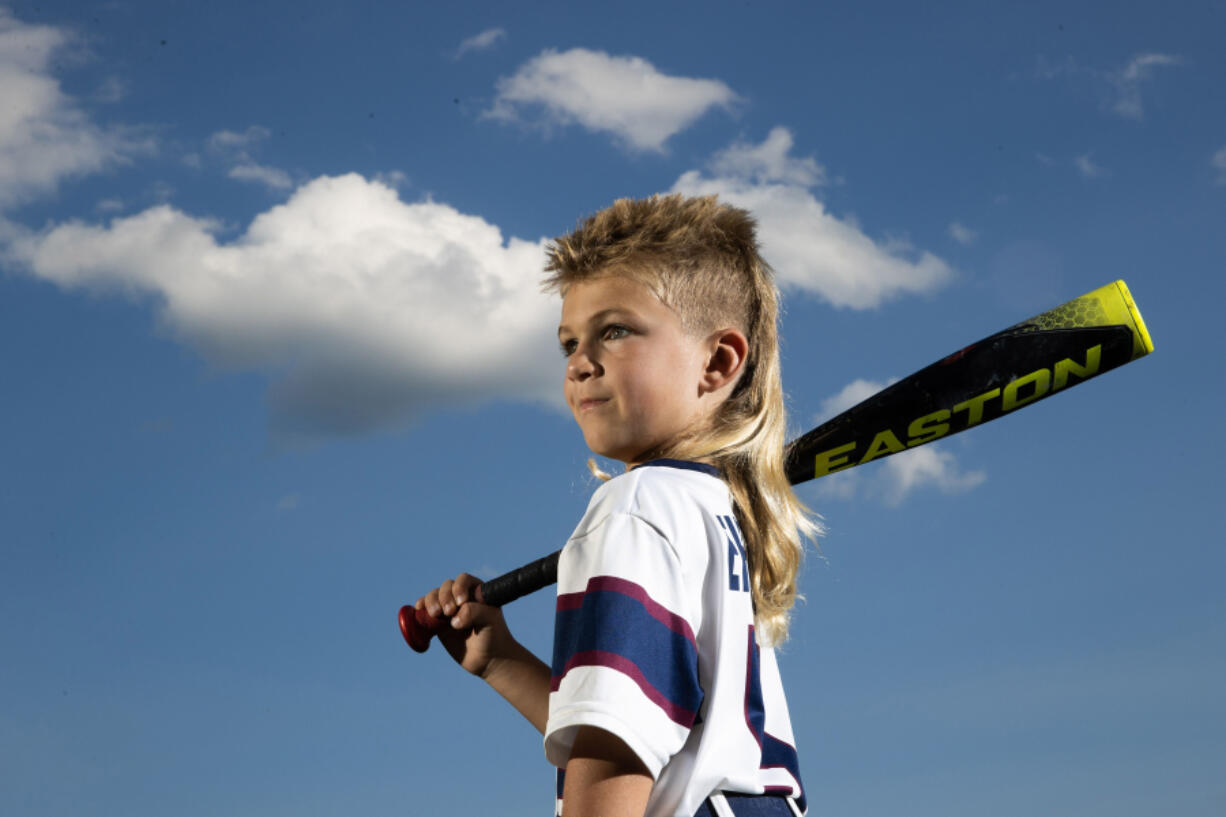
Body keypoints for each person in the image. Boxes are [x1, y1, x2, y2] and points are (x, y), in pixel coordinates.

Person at [414, 194, 818, 817]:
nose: (580, 364)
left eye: (616, 331)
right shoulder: (717, 511)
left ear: (717, 362)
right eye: (569, 343)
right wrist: (503, 662)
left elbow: (619, 755)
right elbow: (657, 736)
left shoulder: (636, 507)